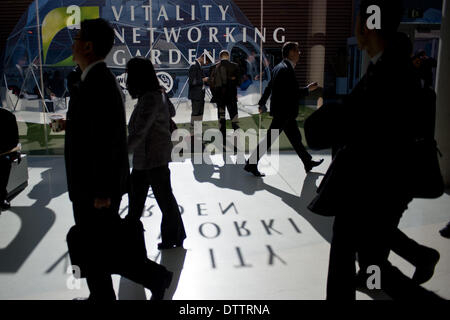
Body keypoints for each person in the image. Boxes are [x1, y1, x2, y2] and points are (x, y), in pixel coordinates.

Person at [305, 0, 443, 300]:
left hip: (375, 186)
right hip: (374, 185)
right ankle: (417, 260)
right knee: (367, 263)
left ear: (366, 25)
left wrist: (328, 119)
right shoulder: (389, 63)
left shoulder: (389, 70)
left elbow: (364, 120)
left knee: (356, 257)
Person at [65, 18, 172, 300]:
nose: (72, 42)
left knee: (99, 247)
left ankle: (155, 277)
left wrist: (101, 190)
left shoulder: (100, 84)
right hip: (92, 186)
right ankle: (106, 294)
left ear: (88, 46)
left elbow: (107, 141)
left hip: (95, 189)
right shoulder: (91, 80)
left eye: (76, 38)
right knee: (96, 248)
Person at [125, 57, 187, 251]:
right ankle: (174, 236)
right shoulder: (157, 94)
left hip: (149, 158)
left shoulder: (150, 98)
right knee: (162, 199)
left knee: (143, 202)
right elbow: (171, 112)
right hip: (154, 157)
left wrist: (121, 152)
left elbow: (140, 130)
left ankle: (133, 243)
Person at [244, 42, 323, 177]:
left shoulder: (279, 67)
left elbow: (270, 87)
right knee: (271, 138)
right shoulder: (285, 69)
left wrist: (262, 103)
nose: (299, 54)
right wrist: (308, 89)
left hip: (284, 112)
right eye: (297, 51)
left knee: (295, 138)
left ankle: (307, 162)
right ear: (291, 52)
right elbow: (291, 93)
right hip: (284, 112)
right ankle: (251, 164)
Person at [209, 50, 241, 149]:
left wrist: (215, 95)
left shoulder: (213, 67)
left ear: (220, 57)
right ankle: (237, 144)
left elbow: (211, 84)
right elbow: (239, 82)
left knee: (221, 121)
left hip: (220, 99)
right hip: (231, 97)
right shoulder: (235, 66)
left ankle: (223, 145)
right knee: (234, 120)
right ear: (228, 56)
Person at [0, 107, 19, 211]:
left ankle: (2, 197)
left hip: (4, 152)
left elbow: (14, 140)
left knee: (4, 164)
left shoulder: (8, 116)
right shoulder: (8, 116)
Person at [188, 53, 210, 138]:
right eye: (207, 61)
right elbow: (192, 82)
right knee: (195, 114)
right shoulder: (194, 65)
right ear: (203, 57)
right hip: (196, 95)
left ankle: (198, 132)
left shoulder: (199, 66)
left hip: (200, 95)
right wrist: (203, 80)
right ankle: (193, 134)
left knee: (200, 114)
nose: (206, 64)